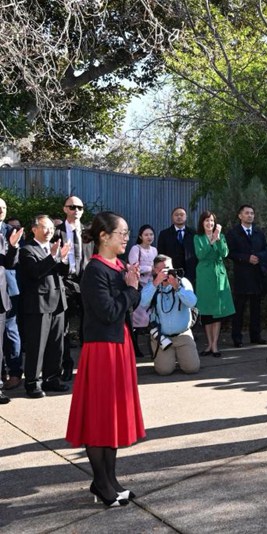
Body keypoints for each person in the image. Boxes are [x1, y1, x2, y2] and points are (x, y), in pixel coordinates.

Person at [65, 212, 144, 508]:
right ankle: (100, 482)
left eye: (127, 232)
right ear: (104, 236)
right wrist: (131, 288)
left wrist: (131, 287)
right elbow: (110, 311)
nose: (126, 237)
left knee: (112, 418)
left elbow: (130, 304)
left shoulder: (119, 265)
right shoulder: (94, 270)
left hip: (118, 345)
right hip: (101, 350)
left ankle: (110, 480)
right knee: (100, 417)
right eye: (122, 233)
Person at [18, 215, 71, 398]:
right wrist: (53, 257)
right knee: (37, 345)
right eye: (44, 227)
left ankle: (52, 379)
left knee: (57, 345)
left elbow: (65, 272)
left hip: (58, 303)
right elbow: (35, 273)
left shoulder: (52, 248)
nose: (49, 231)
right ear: (34, 229)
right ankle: (32, 383)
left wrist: (62, 259)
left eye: (51, 228)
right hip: (39, 305)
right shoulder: (27, 250)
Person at [140, 255, 200, 376]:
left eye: (169, 268)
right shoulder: (152, 285)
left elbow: (192, 302)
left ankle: (182, 355)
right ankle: (170, 358)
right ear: (155, 270)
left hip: (182, 334)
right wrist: (156, 282)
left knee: (191, 368)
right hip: (162, 336)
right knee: (164, 371)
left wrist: (177, 287)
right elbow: (142, 303)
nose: (167, 272)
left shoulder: (182, 282)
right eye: (163, 270)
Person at [53, 196, 91, 381]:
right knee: (64, 326)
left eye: (79, 207)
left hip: (85, 281)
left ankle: (88, 365)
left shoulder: (89, 232)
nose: (76, 210)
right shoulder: (56, 232)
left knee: (88, 323)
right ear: (65, 209)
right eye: (72, 207)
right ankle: (66, 365)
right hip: (64, 280)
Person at [226, 204, 267, 348]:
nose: (250, 215)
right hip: (242, 275)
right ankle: (237, 337)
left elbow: (266, 250)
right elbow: (230, 253)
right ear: (240, 216)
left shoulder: (259, 232)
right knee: (239, 308)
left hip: (257, 275)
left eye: (252, 213)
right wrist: (246, 258)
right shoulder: (233, 233)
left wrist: (258, 256)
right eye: (247, 213)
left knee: (256, 308)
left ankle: (255, 336)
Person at [194, 211, 235, 357]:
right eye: (206, 221)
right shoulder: (197, 237)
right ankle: (209, 344)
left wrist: (217, 239)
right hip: (204, 275)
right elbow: (200, 254)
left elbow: (224, 253)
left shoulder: (221, 236)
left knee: (217, 311)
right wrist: (210, 242)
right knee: (206, 311)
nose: (209, 223)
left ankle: (214, 345)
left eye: (211, 221)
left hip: (218, 275)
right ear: (202, 223)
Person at [0, 199, 22, 404]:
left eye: (4, 208)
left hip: (7, 289)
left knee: (10, 331)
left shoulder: (11, 231)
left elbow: (12, 263)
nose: (1, 210)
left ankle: (15, 372)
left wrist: (13, 247)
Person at [128, 224, 158, 358]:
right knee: (137, 319)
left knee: (151, 318)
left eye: (151, 234)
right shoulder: (136, 249)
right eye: (146, 235)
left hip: (152, 286)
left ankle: (153, 347)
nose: (149, 237)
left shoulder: (155, 250)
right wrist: (149, 269)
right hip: (139, 286)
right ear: (140, 236)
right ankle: (134, 347)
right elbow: (134, 266)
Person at [157, 207, 197, 286]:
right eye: (176, 215)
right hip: (171, 273)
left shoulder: (193, 233)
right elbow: (161, 254)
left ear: (186, 217)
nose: (179, 217)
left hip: (190, 273)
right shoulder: (164, 234)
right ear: (172, 217)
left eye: (182, 215)